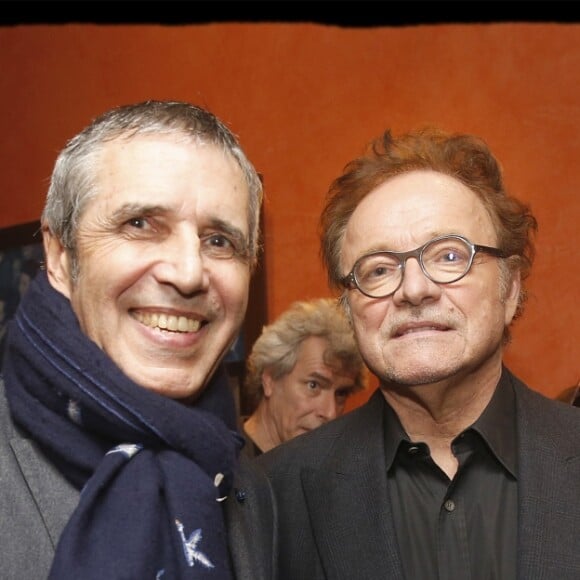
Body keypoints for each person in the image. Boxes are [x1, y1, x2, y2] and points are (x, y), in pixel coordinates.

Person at [257, 126, 580, 579]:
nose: (414, 289)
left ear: (510, 290)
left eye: (450, 256)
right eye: (379, 269)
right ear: (350, 311)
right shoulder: (274, 496)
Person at [0, 100, 276, 580]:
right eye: (141, 224)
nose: (189, 274)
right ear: (61, 256)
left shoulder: (250, 482)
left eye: (219, 241)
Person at [242, 297, 367, 456]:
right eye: (313, 385)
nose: (330, 413)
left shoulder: (336, 470)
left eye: (341, 394)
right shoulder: (222, 467)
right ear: (270, 379)